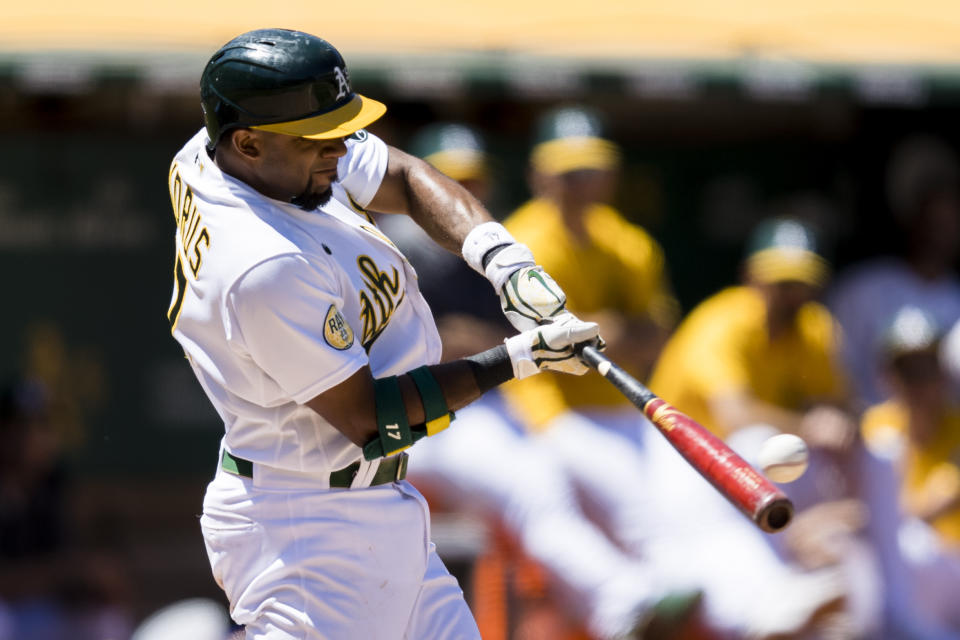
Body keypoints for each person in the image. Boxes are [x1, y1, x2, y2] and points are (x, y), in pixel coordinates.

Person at [166, 29, 601, 640]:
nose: (341, 150)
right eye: (320, 141)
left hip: (370, 507)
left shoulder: (238, 151)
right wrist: (521, 358)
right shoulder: (261, 264)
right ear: (248, 144)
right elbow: (372, 419)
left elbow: (403, 174)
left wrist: (503, 259)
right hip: (308, 526)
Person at [392, 122, 695, 639]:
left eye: (476, 180)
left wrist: (477, 337)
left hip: (481, 406)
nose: (469, 191)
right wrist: (464, 338)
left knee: (559, 481)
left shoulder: (485, 247)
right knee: (532, 486)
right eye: (453, 177)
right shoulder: (392, 248)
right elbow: (419, 348)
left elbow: (487, 339)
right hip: (416, 414)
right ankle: (620, 599)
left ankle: (632, 598)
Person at [646, 217, 879, 637]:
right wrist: (812, 423)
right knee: (755, 448)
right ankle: (765, 598)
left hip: (752, 464)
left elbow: (842, 406)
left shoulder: (814, 327)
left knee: (872, 454)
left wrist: (841, 421)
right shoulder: (721, 321)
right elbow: (735, 416)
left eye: (800, 282)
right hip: (679, 453)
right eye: (780, 281)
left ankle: (876, 607)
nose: (790, 294)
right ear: (751, 278)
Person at [829, 135, 960, 407]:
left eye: (951, 214)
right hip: (868, 435)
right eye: (933, 213)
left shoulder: (955, 295)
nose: (942, 226)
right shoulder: (862, 288)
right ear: (912, 214)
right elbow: (834, 373)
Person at [861, 306, 960, 637]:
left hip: (953, 574)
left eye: (927, 368)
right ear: (886, 376)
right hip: (899, 582)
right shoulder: (873, 427)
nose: (919, 382)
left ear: (944, 372)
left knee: (916, 544)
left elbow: (921, 512)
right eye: (907, 370)